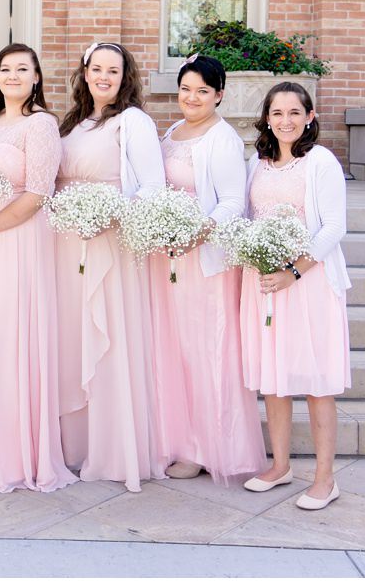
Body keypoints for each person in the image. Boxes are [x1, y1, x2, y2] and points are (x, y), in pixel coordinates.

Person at [0, 43, 76, 492]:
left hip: (16, 243)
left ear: (37, 77)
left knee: (9, 341)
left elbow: (37, 194)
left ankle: (17, 451)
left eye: (23, 68)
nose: (13, 75)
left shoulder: (40, 124)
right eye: (6, 68)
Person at [53, 42, 167, 491]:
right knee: (72, 338)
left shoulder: (133, 122)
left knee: (108, 340)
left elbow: (152, 188)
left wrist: (106, 213)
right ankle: (75, 446)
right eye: (96, 69)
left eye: (113, 71)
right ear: (83, 72)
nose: (103, 77)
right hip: (66, 245)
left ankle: (114, 448)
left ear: (125, 77)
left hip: (110, 243)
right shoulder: (72, 123)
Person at [148, 55, 265, 484]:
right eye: (185, 89)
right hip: (169, 259)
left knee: (206, 352)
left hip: (206, 261)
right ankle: (176, 438)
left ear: (219, 95)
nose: (191, 98)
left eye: (202, 91)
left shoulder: (223, 139)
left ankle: (207, 446)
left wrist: (198, 233)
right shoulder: (174, 132)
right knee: (173, 350)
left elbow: (234, 201)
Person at [239, 82, 351, 511]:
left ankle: (325, 478)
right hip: (265, 282)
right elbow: (250, 218)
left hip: (310, 285)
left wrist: (293, 271)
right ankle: (280, 465)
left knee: (317, 382)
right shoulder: (258, 162)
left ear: (309, 116)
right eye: (277, 112)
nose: (285, 120)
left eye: (293, 112)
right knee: (275, 378)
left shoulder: (320, 162)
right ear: (267, 117)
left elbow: (333, 227)